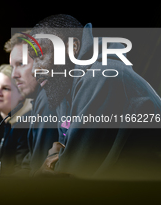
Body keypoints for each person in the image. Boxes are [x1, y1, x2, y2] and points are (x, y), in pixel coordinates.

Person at [29, 14, 161, 180]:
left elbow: (70, 172)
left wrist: (49, 165)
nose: (34, 70)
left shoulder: (100, 76)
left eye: (40, 57)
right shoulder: (65, 89)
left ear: (73, 47)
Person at [4, 31, 59, 175]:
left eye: (21, 64)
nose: (14, 75)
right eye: (12, 67)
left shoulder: (47, 99)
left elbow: (37, 171)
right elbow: (28, 167)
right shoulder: (40, 100)